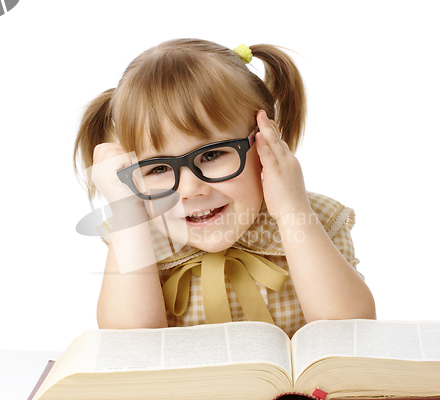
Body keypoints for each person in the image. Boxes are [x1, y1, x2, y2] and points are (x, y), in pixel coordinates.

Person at [73, 38, 376, 336]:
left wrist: (291, 209)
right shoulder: (138, 234)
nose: (191, 189)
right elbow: (126, 345)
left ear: (265, 142)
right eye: (159, 168)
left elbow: (350, 332)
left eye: (212, 154)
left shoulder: (314, 218)